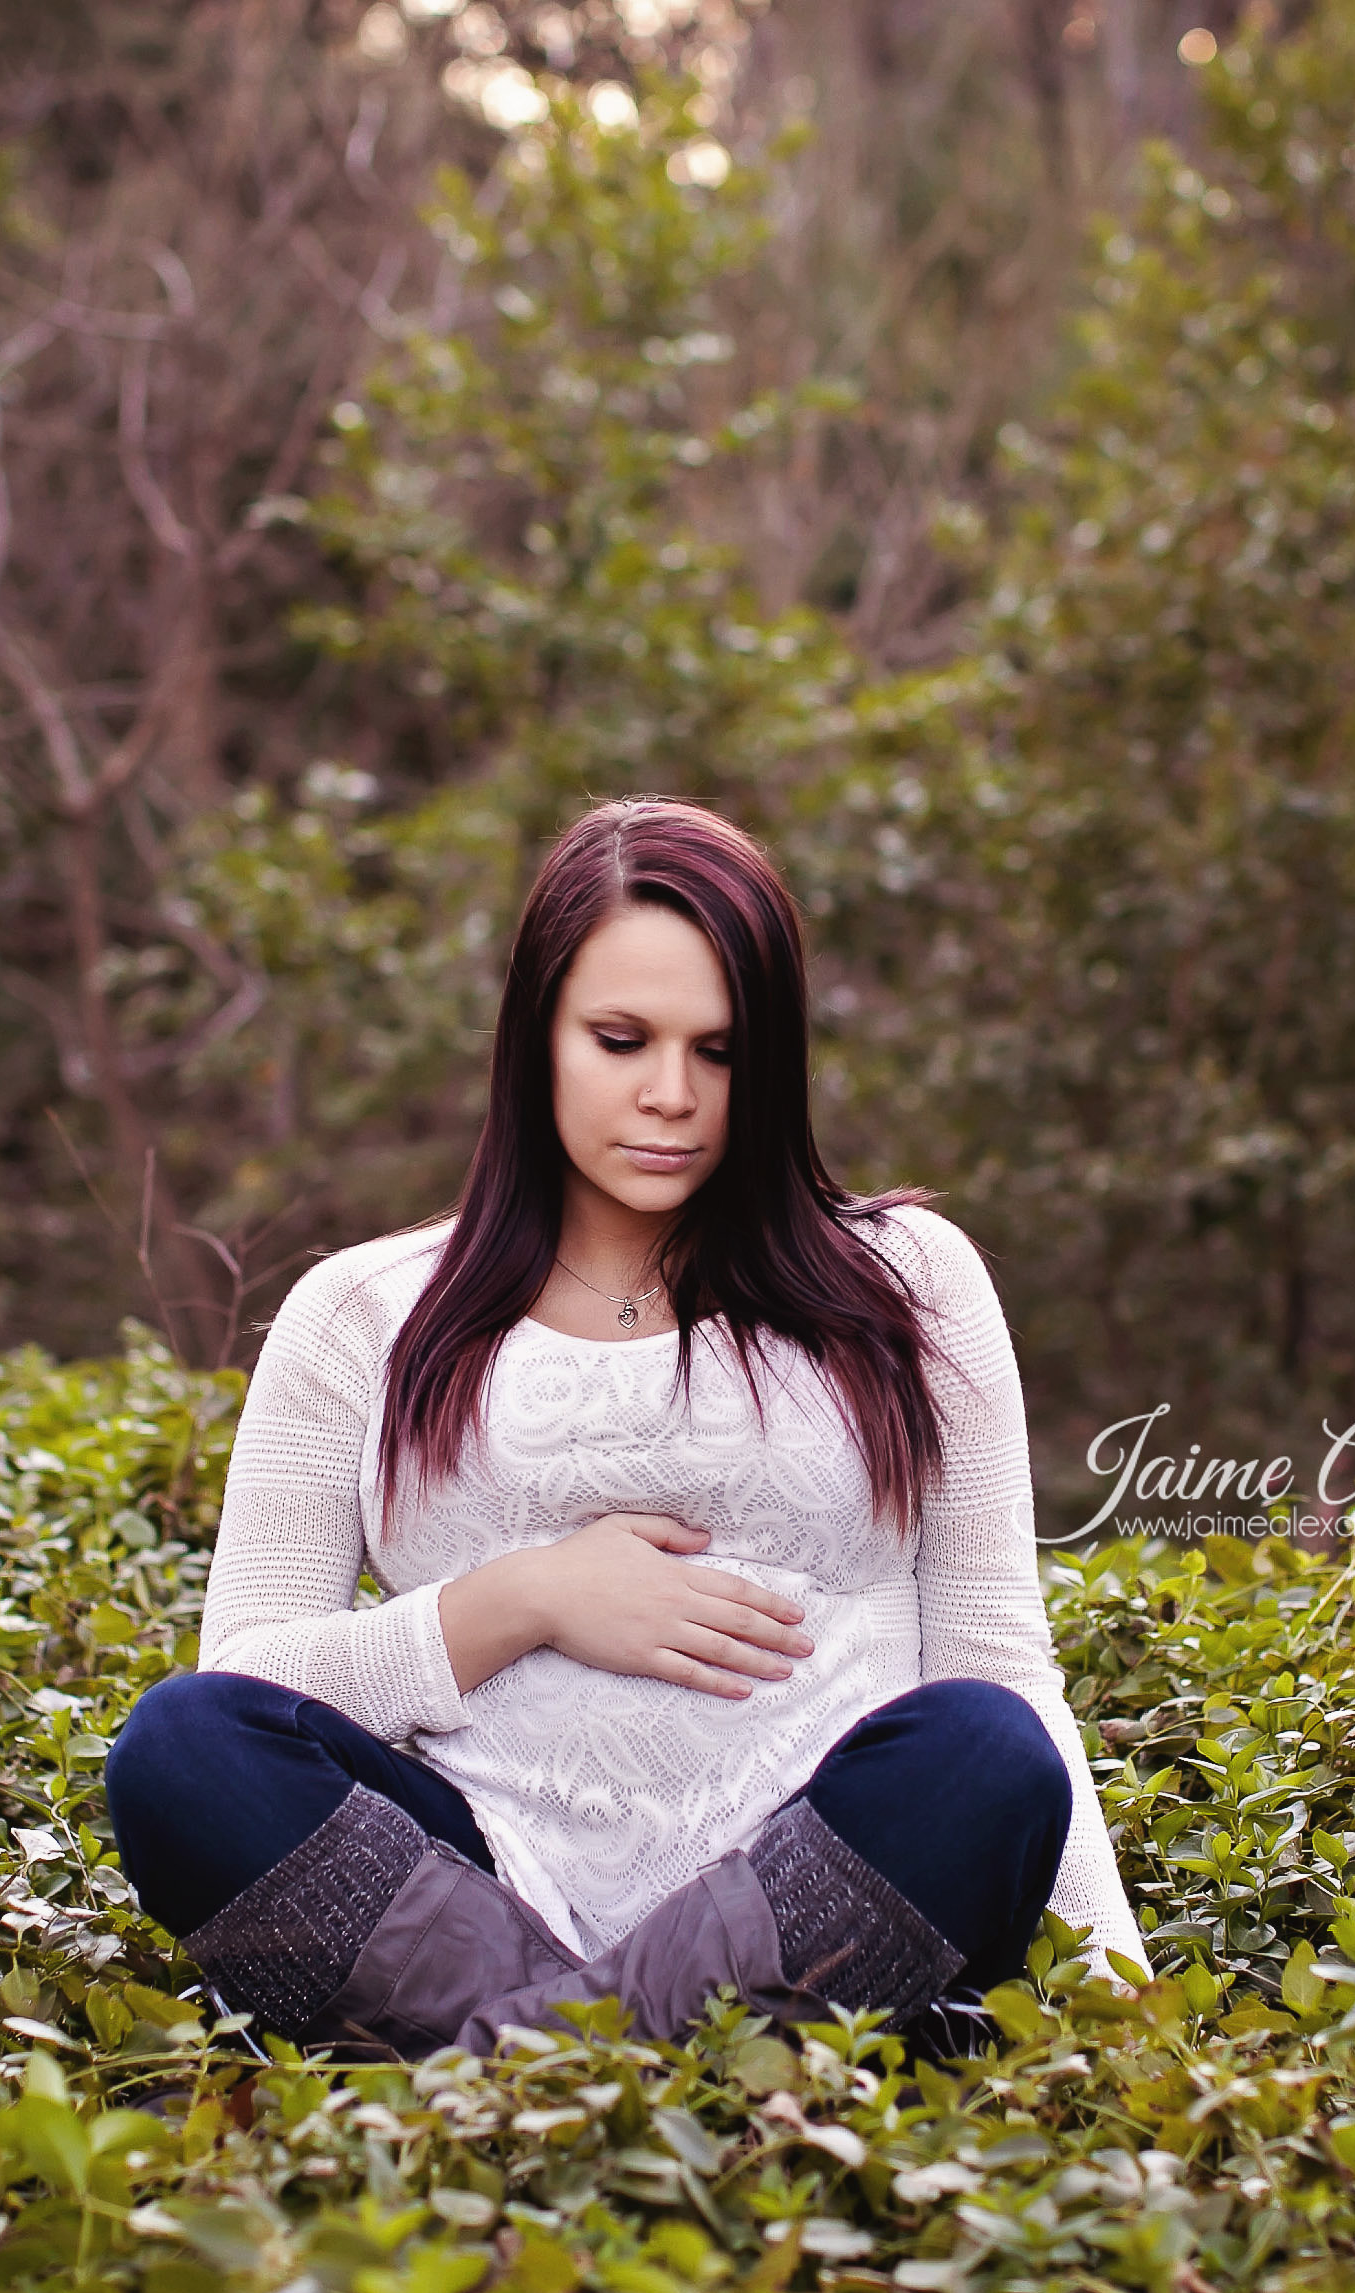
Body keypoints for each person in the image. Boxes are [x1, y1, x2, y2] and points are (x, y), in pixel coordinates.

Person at [102, 799, 1144, 2056]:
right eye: (620, 1039)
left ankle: (519, 2076)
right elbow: (253, 1684)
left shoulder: (908, 1284)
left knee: (986, 1752)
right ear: (534, 1035)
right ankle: (667, 2071)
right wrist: (521, 1599)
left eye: (719, 1051)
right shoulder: (363, 1314)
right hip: (472, 1880)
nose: (671, 1097)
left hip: (828, 1888)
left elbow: (1001, 1661)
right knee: (184, 1748)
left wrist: (1124, 2015)